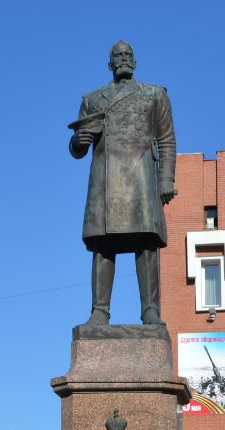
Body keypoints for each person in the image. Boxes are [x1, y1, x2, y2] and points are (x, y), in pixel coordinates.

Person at [69, 40, 176, 326]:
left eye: (129, 55)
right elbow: (78, 145)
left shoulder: (154, 94)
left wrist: (166, 179)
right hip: (105, 179)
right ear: (110, 64)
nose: (124, 58)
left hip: (141, 175)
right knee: (103, 244)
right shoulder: (93, 99)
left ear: (136, 62)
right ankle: (99, 311)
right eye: (118, 55)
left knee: (146, 242)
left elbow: (166, 139)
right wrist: (77, 142)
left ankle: (150, 310)